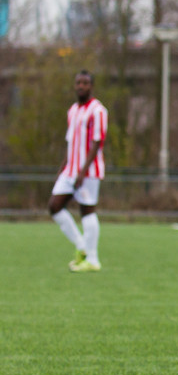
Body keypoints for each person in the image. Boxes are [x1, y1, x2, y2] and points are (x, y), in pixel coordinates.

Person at [49, 70, 108, 273]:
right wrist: (63, 167)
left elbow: (97, 142)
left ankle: (92, 259)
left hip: (88, 171)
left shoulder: (98, 110)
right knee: (54, 206)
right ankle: (82, 246)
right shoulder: (72, 110)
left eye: (85, 83)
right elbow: (71, 143)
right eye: (78, 83)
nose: (81, 86)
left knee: (87, 210)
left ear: (91, 86)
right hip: (71, 169)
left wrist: (83, 171)